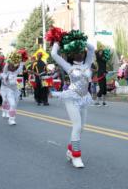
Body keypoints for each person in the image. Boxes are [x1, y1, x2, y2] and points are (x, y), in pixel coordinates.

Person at [51, 40, 94, 168]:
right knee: (77, 126)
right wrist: (58, 42)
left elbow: (91, 48)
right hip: (72, 98)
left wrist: (80, 40)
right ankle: (76, 156)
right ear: (71, 54)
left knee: (82, 129)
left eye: (81, 51)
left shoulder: (88, 63)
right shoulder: (68, 66)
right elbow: (54, 54)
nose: (79, 54)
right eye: (76, 52)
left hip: (84, 98)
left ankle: (70, 150)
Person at [0, 60, 25, 125]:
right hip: (9, 91)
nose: (13, 67)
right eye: (11, 66)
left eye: (13, 66)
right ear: (8, 67)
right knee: (11, 103)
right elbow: (4, 73)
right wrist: (7, 62)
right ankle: (10, 119)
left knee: (15, 106)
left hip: (16, 90)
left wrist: (22, 61)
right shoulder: (4, 74)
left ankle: (11, 116)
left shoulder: (15, 72)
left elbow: (20, 67)